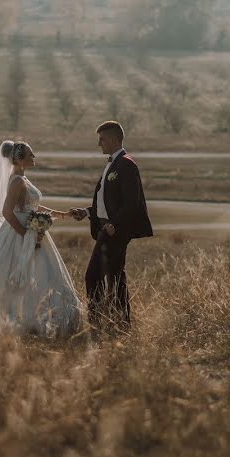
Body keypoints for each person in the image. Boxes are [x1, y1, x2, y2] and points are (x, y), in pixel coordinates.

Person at [0, 140, 82, 338]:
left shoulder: (23, 179)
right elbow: (7, 212)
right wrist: (26, 236)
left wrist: (65, 215)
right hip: (19, 234)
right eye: (31, 154)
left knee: (39, 274)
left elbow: (35, 208)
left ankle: (36, 317)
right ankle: (20, 320)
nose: (34, 157)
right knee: (16, 276)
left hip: (32, 230)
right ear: (20, 159)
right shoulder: (16, 181)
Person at [70, 121, 152, 330]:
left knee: (94, 277)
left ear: (114, 139)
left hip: (115, 231)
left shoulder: (126, 164)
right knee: (115, 277)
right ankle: (120, 324)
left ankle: (98, 324)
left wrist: (114, 224)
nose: (99, 144)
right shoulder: (112, 164)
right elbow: (106, 202)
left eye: (102, 139)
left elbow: (132, 202)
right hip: (106, 229)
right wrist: (87, 212)